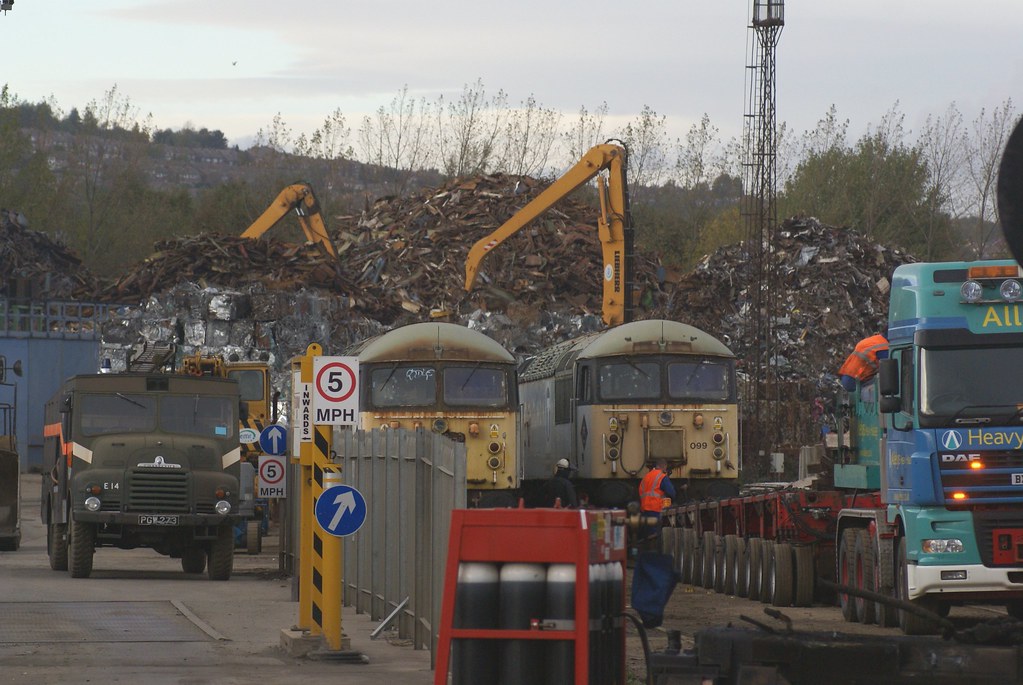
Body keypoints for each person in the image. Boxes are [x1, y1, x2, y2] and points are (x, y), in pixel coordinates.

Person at [638, 458, 676, 547]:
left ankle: (646, 551)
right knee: (655, 535)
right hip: (656, 509)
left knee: (647, 534)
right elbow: (671, 492)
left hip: (644, 509)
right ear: (664, 466)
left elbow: (640, 491)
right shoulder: (662, 477)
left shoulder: (646, 477)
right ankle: (655, 553)